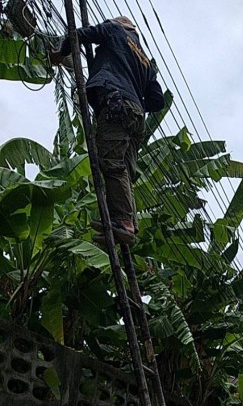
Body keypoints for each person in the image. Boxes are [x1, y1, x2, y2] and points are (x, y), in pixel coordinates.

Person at [50, 17, 165, 245]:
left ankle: (123, 221)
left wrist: (59, 55)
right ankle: (129, 223)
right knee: (124, 171)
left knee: (111, 163)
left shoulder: (114, 30)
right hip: (136, 117)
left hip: (115, 104)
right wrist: (135, 100)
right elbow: (157, 100)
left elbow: (78, 35)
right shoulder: (145, 60)